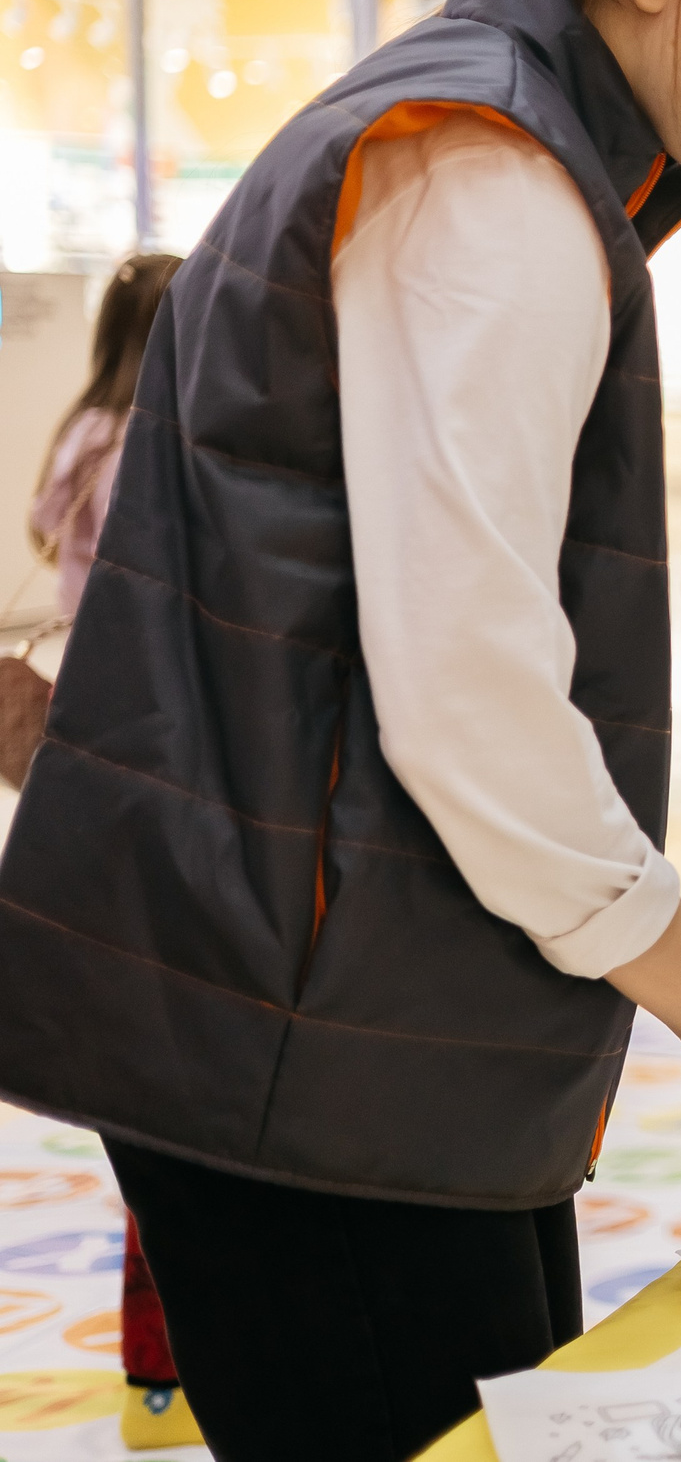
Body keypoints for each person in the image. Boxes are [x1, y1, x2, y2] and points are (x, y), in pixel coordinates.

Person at [0, 0, 681, 1453]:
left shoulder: (516, 146)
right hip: (310, 1059)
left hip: (359, 1027)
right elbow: (466, 693)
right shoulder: (495, 172)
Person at [21, 251, 190, 1446]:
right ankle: (170, 1364)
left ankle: (160, 1371)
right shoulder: (157, 440)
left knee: (157, 1073)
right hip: (158, 748)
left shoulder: (82, 431)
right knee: (177, 1091)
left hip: (90, 747)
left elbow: (47, 547)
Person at [26, 253, 180, 619]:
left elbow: (45, 526)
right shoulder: (148, 436)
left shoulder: (87, 423)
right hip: (128, 640)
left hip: (85, 629)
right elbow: (133, 561)